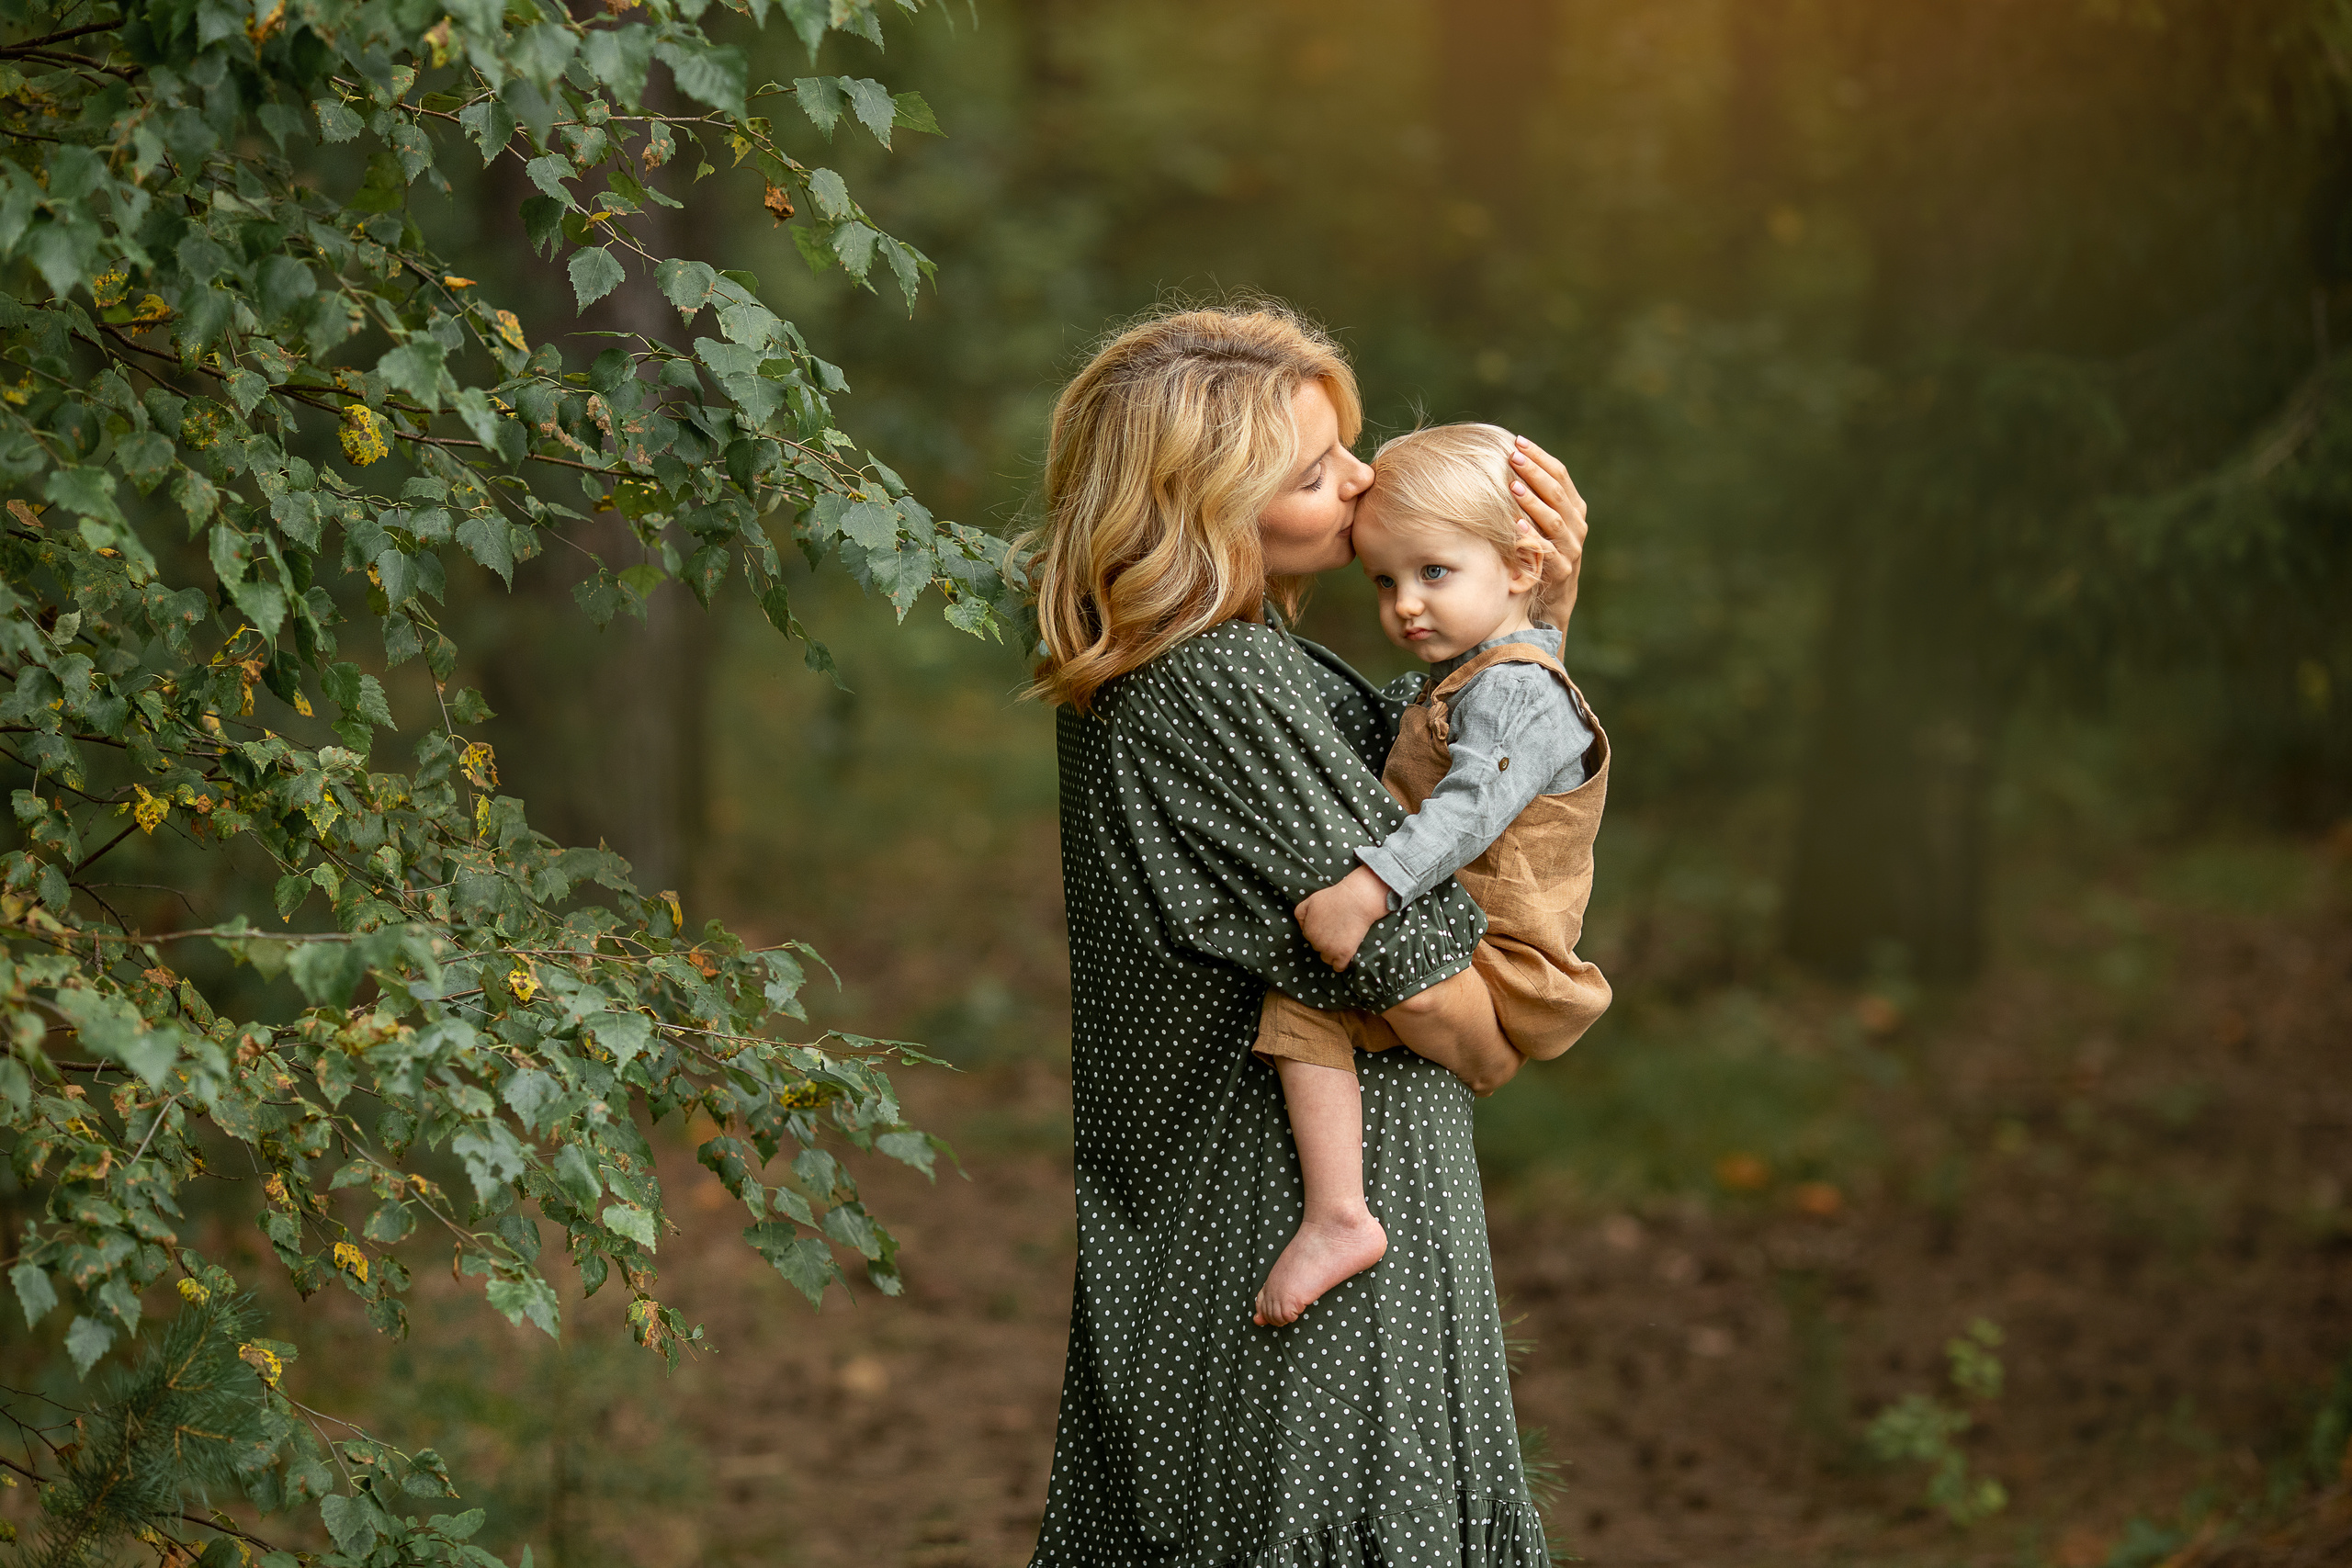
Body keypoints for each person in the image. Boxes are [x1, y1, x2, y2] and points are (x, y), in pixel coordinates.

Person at [1018, 302, 1587, 1568]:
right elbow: (1442, 996)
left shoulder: (1247, 660)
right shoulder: (1217, 679)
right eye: (1314, 469)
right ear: (1203, 498)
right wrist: (1496, 1031)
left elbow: (1462, 760)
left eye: (1351, 446)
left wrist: (1528, 607)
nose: (1363, 479)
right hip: (1288, 1234)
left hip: (1276, 1223)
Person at [1249, 423, 1612, 1330]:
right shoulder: (1481, 674)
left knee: (1309, 994)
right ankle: (1340, 1214)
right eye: (1385, 581)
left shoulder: (1521, 689)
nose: (1406, 604)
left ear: (1523, 566)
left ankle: (1338, 1214)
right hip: (1469, 941)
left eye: (1433, 574)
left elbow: (1467, 812)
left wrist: (1366, 889)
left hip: (1507, 956)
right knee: (1302, 1004)